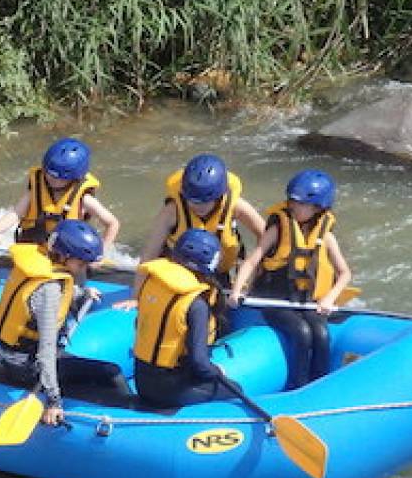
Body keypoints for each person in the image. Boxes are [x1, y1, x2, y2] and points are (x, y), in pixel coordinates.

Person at [0, 219, 126, 425]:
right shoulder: (50, 290)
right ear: (63, 256)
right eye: (80, 264)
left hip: (16, 355)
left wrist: (80, 293)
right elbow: (46, 349)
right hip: (27, 367)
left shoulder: (42, 264)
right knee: (112, 373)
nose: (83, 269)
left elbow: (38, 300)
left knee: (83, 369)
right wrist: (53, 400)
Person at [230, 169, 351, 388]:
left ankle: (320, 384)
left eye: (301, 203)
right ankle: (298, 385)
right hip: (275, 301)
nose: (293, 206)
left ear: (317, 209)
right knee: (302, 333)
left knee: (321, 335)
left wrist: (329, 298)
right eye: (291, 200)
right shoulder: (278, 229)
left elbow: (345, 273)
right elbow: (252, 260)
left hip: (306, 301)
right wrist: (238, 290)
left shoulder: (326, 236)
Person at [132, 230, 234, 408]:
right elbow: (200, 364)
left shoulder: (151, 282)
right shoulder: (196, 304)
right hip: (170, 390)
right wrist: (217, 372)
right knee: (234, 389)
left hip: (141, 381)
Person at [0, 137, 120, 255]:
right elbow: (15, 214)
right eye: (49, 174)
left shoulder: (84, 199)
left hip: (66, 254)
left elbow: (112, 223)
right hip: (35, 247)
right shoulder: (37, 188)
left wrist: (101, 254)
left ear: (75, 178)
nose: (53, 180)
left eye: (60, 178)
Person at [137, 153, 265, 278]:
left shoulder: (235, 205)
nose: (198, 206)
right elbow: (149, 255)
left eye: (205, 202)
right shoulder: (172, 211)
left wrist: (255, 265)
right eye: (192, 201)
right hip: (179, 273)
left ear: (219, 196)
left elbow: (264, 233)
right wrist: (140, 289)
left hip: (218, 272)